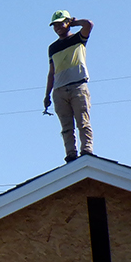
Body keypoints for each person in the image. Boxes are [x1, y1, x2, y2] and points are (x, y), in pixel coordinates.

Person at [43, 10, 95, 162]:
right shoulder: (52, 48)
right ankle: (70, 153)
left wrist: (75, 22)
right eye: (55, 25)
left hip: (78, 85)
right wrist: (47, 95)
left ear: (68, 23)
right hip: (59, 90)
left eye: (60, 24)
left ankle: (86, 150)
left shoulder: (78, 39)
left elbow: (88, 24)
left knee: (83, 121)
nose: (57, 27)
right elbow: (51, 72)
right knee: (66, 127)